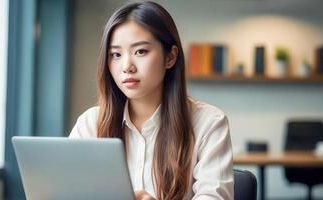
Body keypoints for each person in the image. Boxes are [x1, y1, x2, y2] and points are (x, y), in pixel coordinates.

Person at [69, 1, 233, 199]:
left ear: (170, 57)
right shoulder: (90, 123)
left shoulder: (209, 123)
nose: (127, 66)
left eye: (140, 51)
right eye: (116, 54)